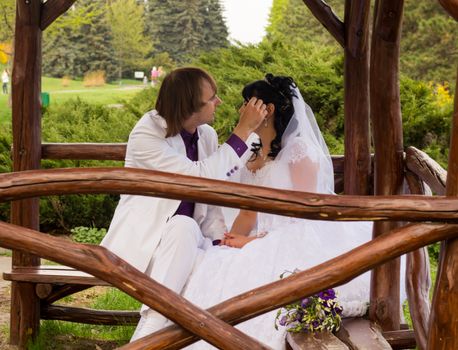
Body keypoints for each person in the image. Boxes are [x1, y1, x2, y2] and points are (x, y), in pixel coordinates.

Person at [180, 74, 389, 349]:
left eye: (247, 103)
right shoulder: (253, 150)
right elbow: (247, 211)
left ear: (267, 110)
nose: (241, 110)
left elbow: (306, 218)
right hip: (262, 235)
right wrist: (231, 240)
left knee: (256, 274)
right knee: (218, 262)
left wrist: (253, 242)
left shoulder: (299, 151)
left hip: (298, 236)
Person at [100, 67, 267, 341]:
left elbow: (211, 196)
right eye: (211, 98)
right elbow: (197, 179)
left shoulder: (207, 135)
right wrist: (243, 130)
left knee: (192, 235)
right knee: (181, 226)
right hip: (148, 243)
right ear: (190, 106)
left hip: (191, 239)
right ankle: (151, 336)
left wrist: (217, 241)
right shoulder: (147, 134)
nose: (219, 102)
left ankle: (149, 337)